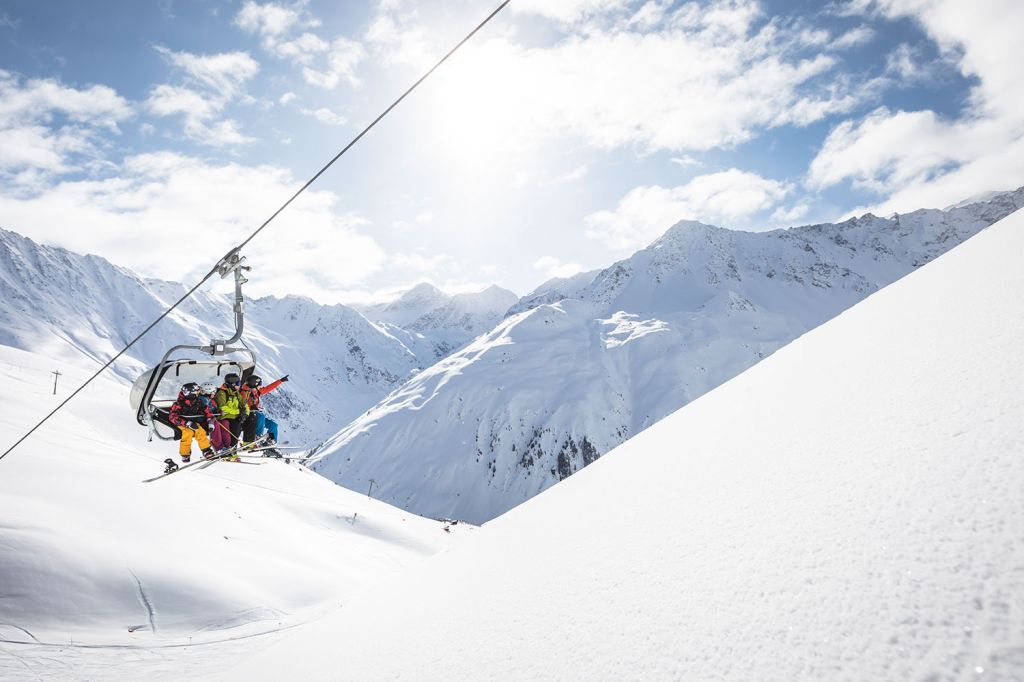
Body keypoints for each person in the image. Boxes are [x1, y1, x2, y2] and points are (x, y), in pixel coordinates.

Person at [168, 382, 216, 463]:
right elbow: (172, 417)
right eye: (196, 392)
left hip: (193, 422)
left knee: (200, 431)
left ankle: (206, 450)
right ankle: (185, 454)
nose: (198, 393)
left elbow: (207, 411)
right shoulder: (179, 403)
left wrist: (210, 421)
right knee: (188, 433)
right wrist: (187, 423)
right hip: (181, 423)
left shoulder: (198, 402)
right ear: (190, 393)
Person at [241, 374, 289, 444]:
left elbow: (268, 388)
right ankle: (257, 437)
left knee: (273, 425)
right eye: (259, 384)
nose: (260, 386)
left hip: (256, 416)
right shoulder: (244, 393)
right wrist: (251, 408)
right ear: (254, 385)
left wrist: (280, 381)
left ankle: (271, 442)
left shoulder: (257, 391)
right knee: (261, 416)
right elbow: (241, 406)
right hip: (248, 417)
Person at [214, 373, 250, 455]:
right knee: (232, 429)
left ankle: (235, 449)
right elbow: (223, 407)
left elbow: (244, 404)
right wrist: (238, 412)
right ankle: (229, 450)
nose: (239, 386)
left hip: (234, 417)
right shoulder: (222, 393)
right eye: (238, 384)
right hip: (224, 417)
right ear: (232, 384)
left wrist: (246, 414)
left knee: (241, 425)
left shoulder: (236, 393)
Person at [199, 382, 227, 451]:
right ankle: (218, 447)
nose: (214, 394)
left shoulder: (211, 400)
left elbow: (214, 409)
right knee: (216, 425)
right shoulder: (203, 400)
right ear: (208, 392)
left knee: (225, 422)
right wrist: (213, 417)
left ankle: (227, 445)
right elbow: (207, 411)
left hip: (212, 419)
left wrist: (219, 412)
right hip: (204, 421)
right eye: (213, 392)